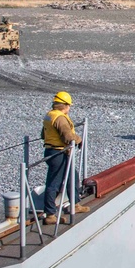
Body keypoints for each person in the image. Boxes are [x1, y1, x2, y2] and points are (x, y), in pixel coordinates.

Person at [41, 91, 87, 225]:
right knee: (54, 183)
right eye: (69, 106)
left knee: (73, 176)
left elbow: (42, 135)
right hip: (58, 153)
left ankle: (75, 204)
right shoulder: (60, 118)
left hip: (52, 151)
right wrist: (79, 140)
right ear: (65, 105)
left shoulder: (49, 115)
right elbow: (68, 136)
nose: (70, 108)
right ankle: (50, 214)